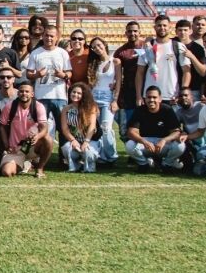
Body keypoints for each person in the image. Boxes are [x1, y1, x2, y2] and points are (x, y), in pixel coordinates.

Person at [125, 86, 186, 172]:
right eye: (149, 97)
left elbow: (176, 132)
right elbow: (131, 132)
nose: (151, 100)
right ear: (145, 99)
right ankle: (143, 164)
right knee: (129, 145)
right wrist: (144, 141)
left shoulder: (167, 110)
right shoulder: (140, 110)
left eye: (154, 97)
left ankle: (166, 164)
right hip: (146, 143)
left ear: (160, 99)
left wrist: (164, 140)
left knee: (180, 146)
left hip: (162, 144)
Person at [0, 82, 52, 178]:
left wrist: (38, 136)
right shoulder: (10, 107)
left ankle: (39, 168)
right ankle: (25, 164)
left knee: (48, 139)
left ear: (32, 94)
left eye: (27, 91)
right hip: (15, 149)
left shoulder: (38, 106)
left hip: (32, 146)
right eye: (21, 91)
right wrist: (6, 145)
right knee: (7, 173)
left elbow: (44, 126)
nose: (24, 94)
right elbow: (1, 126)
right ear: (18, 93)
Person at [25, 27, 71, 138]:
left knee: (63, 127)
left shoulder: (63, 53)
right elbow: (28, 74)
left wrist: (63, 75)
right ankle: (40, 153)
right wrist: (37, 75)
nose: (49, 38)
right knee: (40, 127)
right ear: (43, 36)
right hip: (41, 96)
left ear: (57, 38)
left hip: (59, 96)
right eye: (46, 35)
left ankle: (63, 153)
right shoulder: (36, 53)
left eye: (51, 36)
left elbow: (69, 73)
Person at [136, 15, 190, 103]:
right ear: (155, 27)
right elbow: (139, 72)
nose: (162, 28)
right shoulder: (146, 46)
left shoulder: (178, 46)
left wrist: (182, 93)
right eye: (159, 25)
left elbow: (186, 71)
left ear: (170, 27)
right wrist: (139, 96)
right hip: (150, 96)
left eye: (165, 25)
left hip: (172, 96)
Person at [86, 37, 120, 165]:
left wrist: (115, 100)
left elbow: (118, 83)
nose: (97, 49)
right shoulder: (93, 64)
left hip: (108, 97)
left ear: (104, 45)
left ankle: (112, 156)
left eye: (99, 45)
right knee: (97, 128)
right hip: (94, 97)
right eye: (94, 47)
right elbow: (91, 84)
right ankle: (101, 156)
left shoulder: (115, 61)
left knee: (106, 126)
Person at [60, 83, 100, 173]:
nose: (75, 95)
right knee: (67, 149)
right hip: (75, 139)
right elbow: (64, 129)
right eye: (74, 92)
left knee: (88, 153)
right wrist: (73, 140)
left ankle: (90, 164)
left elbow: (92, 126)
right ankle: (75, 165)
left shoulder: (91, 108)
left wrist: (86, 142)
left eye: (79, 93)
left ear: (84, 95)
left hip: (89, 139)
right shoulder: (66, 109)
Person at [113, 20, 144, 132]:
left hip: (147, 88)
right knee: (130, 122)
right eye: (130, 31)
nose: (132, 33)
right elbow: (117, 75)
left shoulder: (147, 47)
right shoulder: (120, 52)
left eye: (135, 31)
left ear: (140, 32)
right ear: (125, 33)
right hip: (129, 90)